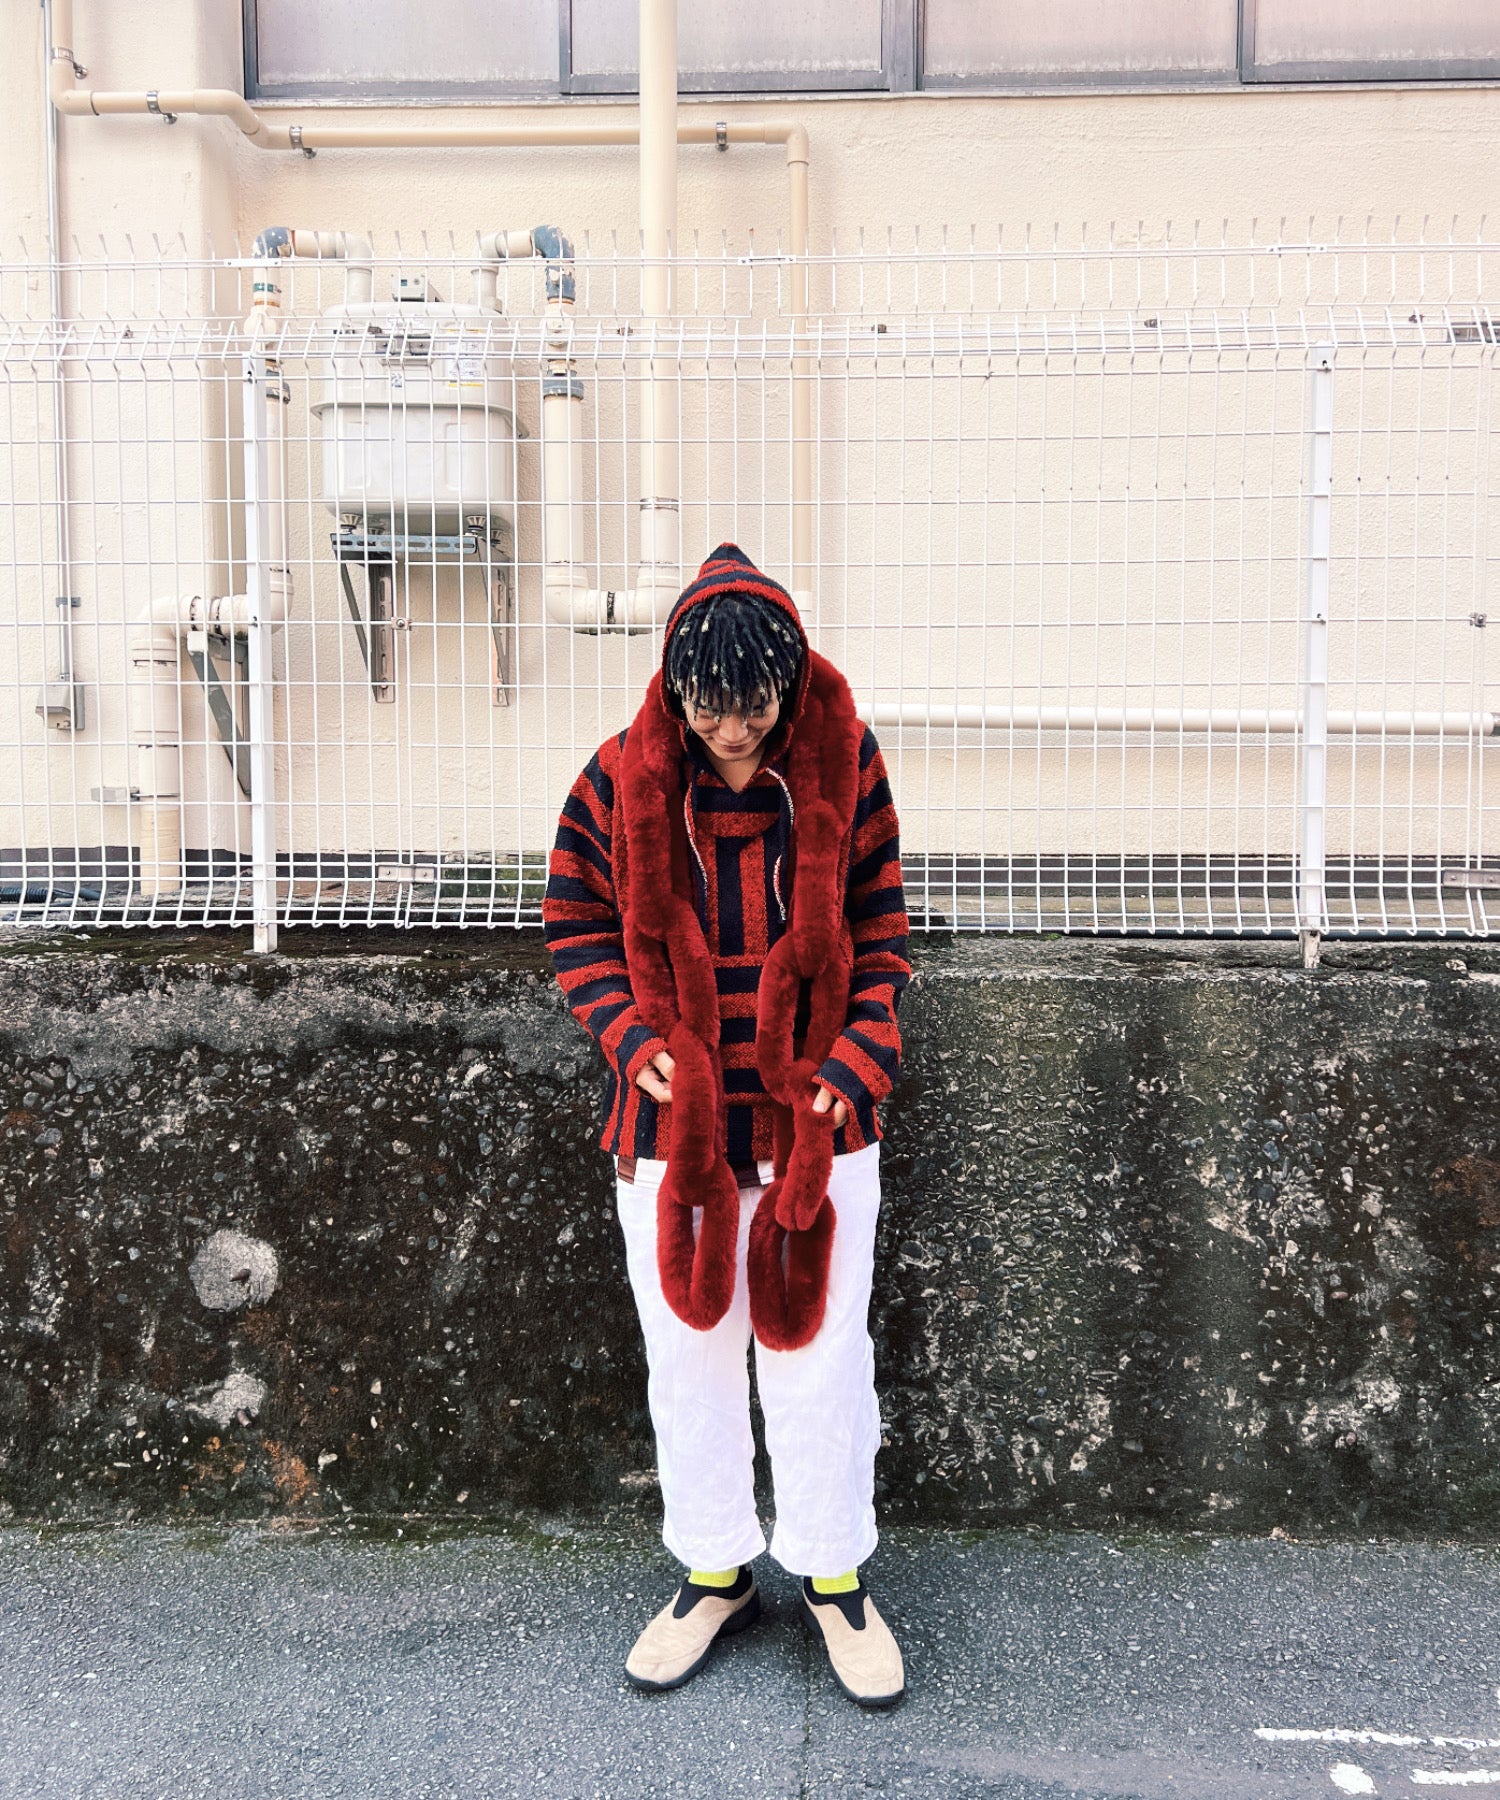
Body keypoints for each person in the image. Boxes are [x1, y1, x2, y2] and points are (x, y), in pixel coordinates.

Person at [542, 544, 911, 1707]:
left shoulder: (849, 765)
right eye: (710, 706)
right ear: (676, 685)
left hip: (818, 1128)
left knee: (821, 1361)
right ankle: (714, 1574)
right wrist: (629, 1039)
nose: (735, 730)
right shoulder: (616, 780)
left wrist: (858, 1058)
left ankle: (836, 1580)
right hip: (671, 1137)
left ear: (789, 684)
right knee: (689, 1361)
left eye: (755, 705)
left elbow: (883, 934)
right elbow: (573, 922)